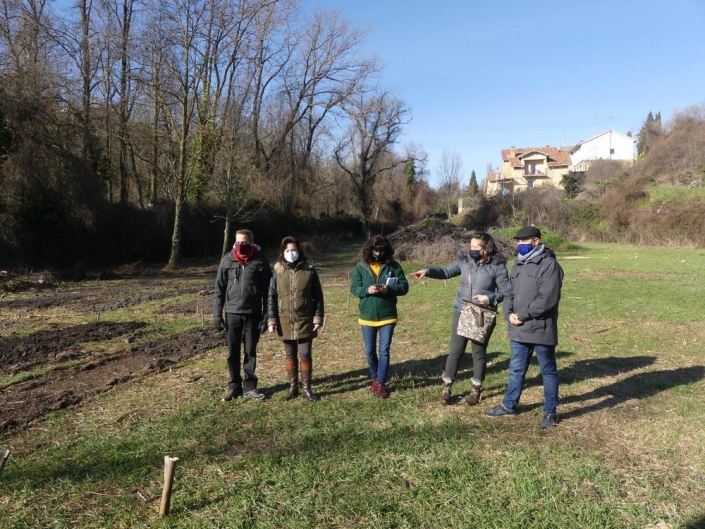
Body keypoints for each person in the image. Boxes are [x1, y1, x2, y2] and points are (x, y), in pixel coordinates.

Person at [412, 231, 510, 406]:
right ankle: (447, 387)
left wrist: (489, 298)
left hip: (481, 314)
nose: (471, 249)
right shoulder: (465, 261)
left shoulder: (497, 266)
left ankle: (476, 389)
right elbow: (446, 271)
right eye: (470, 246)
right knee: (455, 351)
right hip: (461, 310)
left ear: (486, 249)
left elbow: (506, 291)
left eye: (475, 247)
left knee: (478, 353)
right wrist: (428, 271)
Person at [485, 225, 564, 428]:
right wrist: (508, 314)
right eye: (518, 241)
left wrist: (523, 314)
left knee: (548, 371)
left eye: (524, 241)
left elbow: (547, 299)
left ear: (536, 241)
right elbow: (509, 292)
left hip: (541, 329)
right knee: (516, 369)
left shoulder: (549, 265)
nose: (519, 245)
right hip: (518, 328)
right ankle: (509, 406)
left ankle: (550, 412)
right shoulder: (519, 264)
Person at [213, 229, 272, 402]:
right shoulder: (227, 259)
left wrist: (267, 315)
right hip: (232, 313)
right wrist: (217, 313)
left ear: (252, 242)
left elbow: (268, 291)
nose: (240, 245)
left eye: (244, 242)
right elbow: (219, 288)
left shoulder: (260, 260)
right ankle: (234, 387)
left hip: (253, 314)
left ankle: (250, 387)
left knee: (250, 351)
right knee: (232, 352)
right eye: (238, 242)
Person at [266, 236, 325, 402]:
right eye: (287, 250)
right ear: (282, 252)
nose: (290, 253)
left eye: (293, 250)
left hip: (305, 319)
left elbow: (318, 296)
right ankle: (293, 386)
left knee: (305, 354)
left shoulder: (309, 270)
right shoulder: (278, 271)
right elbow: (271, 296)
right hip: (285, 320)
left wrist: (317, 318)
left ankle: (307, 388)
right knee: (290, 354)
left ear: (299, 251)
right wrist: (272, 319)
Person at [350, 235, 409, 399]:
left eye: (382, 250)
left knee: (384, 351)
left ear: (386, 250)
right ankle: (375, 378)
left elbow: (404, 287)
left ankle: (381, 382)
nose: (378, 253)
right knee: (369, 351)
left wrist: (388, 289)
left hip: (387, 316)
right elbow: (354, 288)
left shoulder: (394, 266)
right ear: (370, 249)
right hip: (367, 316)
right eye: (376, 250)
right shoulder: (361, 267)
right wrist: (366, 290)